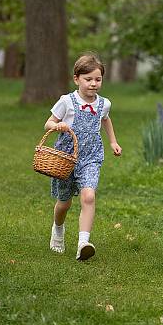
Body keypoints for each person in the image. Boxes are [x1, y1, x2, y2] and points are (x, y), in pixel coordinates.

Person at [44, 53, 122, 261]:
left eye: (98, 79)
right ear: (76, 79)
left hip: (91, 157)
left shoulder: (104, 103)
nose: (94, 84)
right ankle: (58, 230)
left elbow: (106, 120)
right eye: (88, 79)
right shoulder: (66, 102)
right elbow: (48, 123)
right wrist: (57, 125)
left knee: (88, 196)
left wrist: (113, 141)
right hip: (66, 158)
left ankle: (83, 243)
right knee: (64, 203)